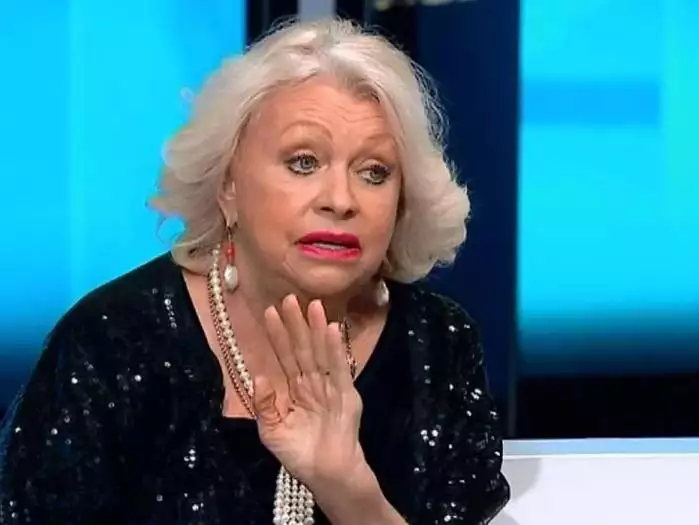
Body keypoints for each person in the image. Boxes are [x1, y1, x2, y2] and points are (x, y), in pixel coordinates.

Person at [0, 17, 509, 525]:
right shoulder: (111, 344)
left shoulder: (437, 346)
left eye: (374, 172)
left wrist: (347, 487)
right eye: (303, 162)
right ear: (228, 184)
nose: (340, 200)